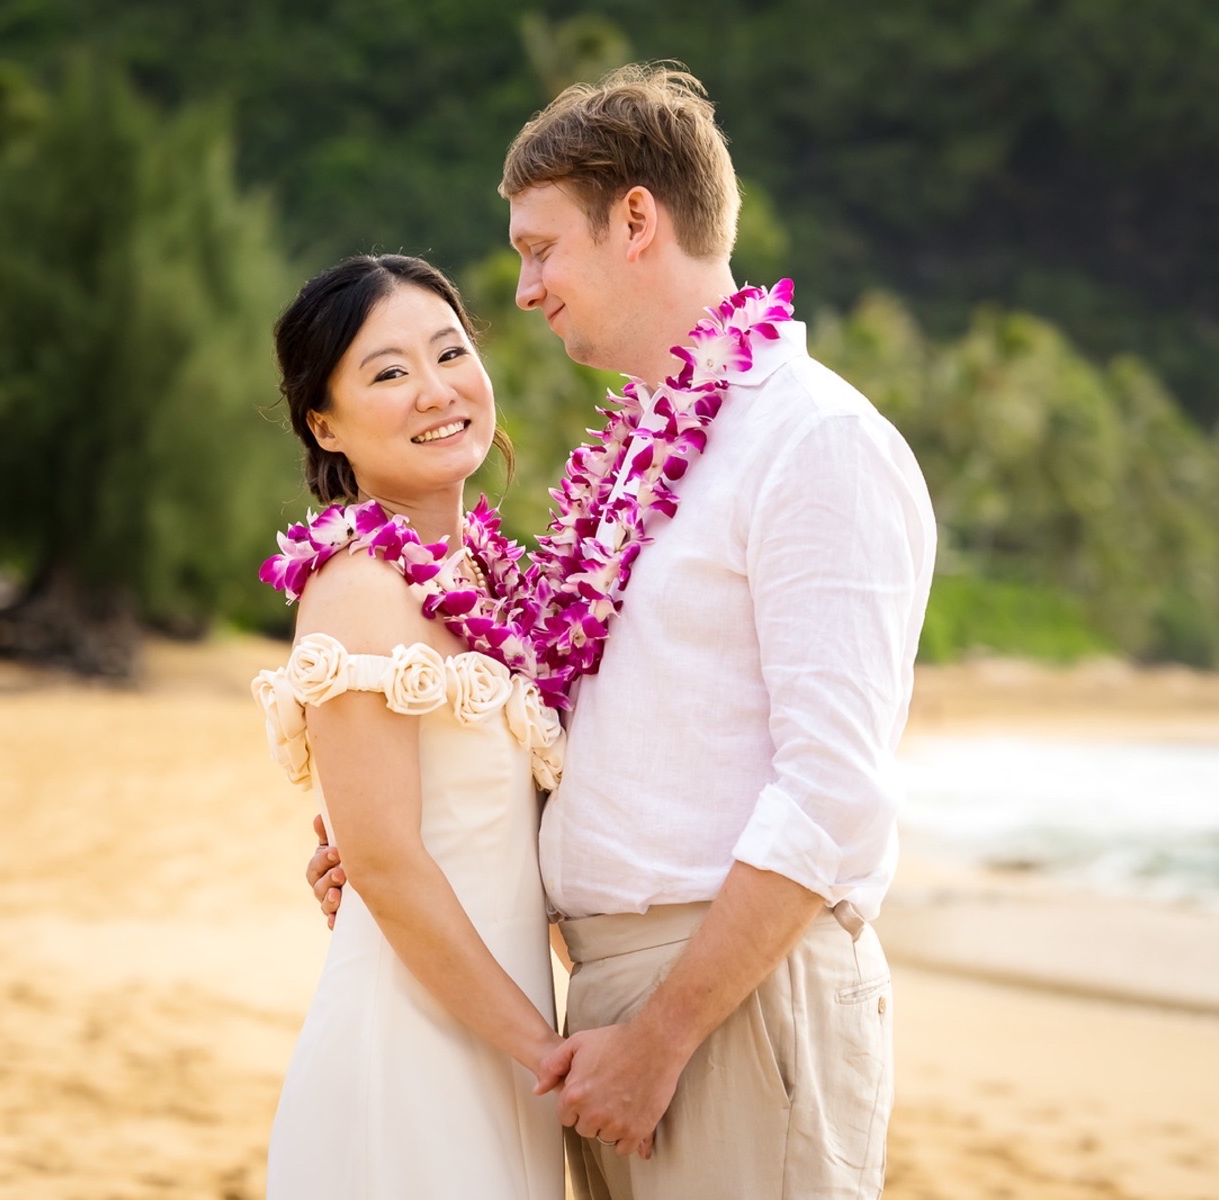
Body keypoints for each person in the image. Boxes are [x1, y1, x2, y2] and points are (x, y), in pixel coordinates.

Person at [306, 63, 937, 1200]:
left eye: (540, 248)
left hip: (730, 1000)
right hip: (592, 1001)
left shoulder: (814, 444)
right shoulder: (649, 466)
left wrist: (666, 1034)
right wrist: (410, 836)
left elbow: (833, 793)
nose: (529, 290)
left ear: (635, 219)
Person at [253, 253, 569, 1199]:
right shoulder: (357, 587)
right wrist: (549, 1055)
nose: (436, 392)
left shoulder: (496, 585)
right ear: (324, 422)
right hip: (416, 1048)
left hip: (501, 1028)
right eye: (388, 373)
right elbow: (386, 862)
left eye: (450, 353)